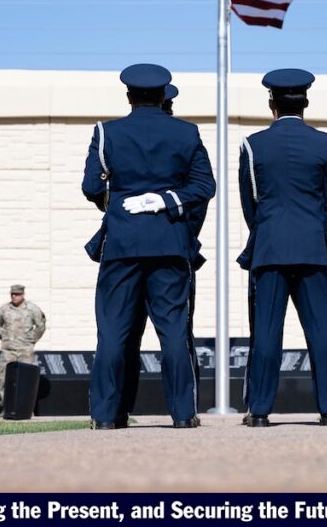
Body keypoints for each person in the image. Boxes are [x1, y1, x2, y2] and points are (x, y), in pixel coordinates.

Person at [82, 64, 216, 429]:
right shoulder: (187, 132)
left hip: (122, 243)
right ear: (162, 96)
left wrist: (120, 203)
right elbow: (205, 186)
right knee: (173, 332)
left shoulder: (106, 132)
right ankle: (183, 414)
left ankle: (105, 416)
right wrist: (166, 200)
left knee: (113, 333)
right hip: (169, 242)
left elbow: (92, 187)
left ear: (129, 96)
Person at [237, 68, 327, 427]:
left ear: (272, 103)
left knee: (266, 333)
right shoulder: (324, 143)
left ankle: (259, 411)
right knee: (321, 331)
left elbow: (250, 202)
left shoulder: (252, 144)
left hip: (269, 248)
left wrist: (268, 230)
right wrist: (313, 229)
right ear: (306, 102)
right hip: (311, 247)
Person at [116, 83, 209, 421]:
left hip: (128, 247)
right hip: (173, 248)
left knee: (125, 333)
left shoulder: (126, 138)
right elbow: (198, 201)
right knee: (177, 335)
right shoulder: (184, 142)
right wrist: (184, 238)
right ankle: (184, 411)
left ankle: (118, 409)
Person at [0, 284, 46, 406]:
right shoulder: (4, 309)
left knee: (26, 380)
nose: (14, 297)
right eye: (12, 294)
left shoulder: (32, 309)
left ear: (23, 294)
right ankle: (5, 407)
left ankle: (26, 408)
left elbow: (41, 325)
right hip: (8, 350)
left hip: (25, 350)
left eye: (17, 294)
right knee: (4, 378)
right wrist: (5, 337)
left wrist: (31, 339)